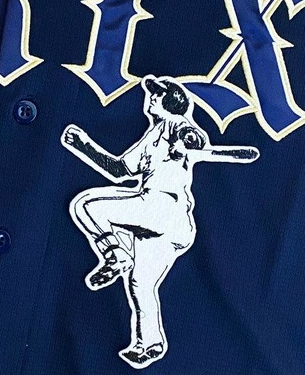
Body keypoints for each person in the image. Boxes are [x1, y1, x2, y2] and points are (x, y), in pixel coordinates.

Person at [61, 75, 260, 368]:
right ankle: (150, 344)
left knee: (88, 206)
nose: (151, 98)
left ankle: (116, 254)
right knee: (140, 285)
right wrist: (83, 145)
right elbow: (118, 171)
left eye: (157, 95)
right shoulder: (152, 136)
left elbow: (193, 137)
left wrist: (186, 142)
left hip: (162, 209)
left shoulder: (175, 125)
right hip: (167, 227)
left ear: (169, 103)